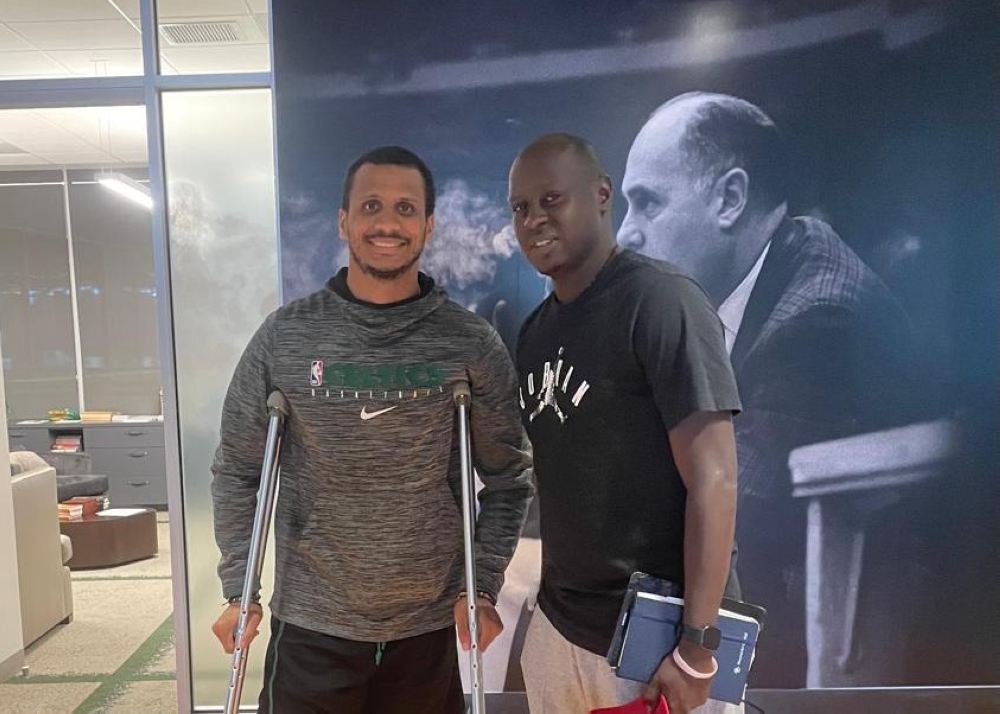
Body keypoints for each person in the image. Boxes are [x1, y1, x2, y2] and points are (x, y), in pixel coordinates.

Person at [210, 145, 534, 714]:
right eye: (372, 206)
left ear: (429, 225)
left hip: (427, 627)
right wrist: (240, 587)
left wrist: (480, 584)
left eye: (406, 209)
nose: (387, 223)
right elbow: (237, 469)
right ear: (345, 220)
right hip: (312, 621)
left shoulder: (470, 344)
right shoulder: (285, 338)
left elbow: (509, 479)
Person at [618, 92, 917, 686]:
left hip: (795, 654)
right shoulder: (739, 287)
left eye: (646, 203)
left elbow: (731, 517)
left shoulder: (819, 320)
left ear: (729, 198)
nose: (625, 234)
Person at [510, 133, 743, 714]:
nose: (535, 218)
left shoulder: (662, 301)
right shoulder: (535, 332)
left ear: (602, 195)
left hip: (658, 644)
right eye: (521, 208)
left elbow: (714, 480)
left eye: (552, 199)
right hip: (562, 631)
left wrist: (696, 645)